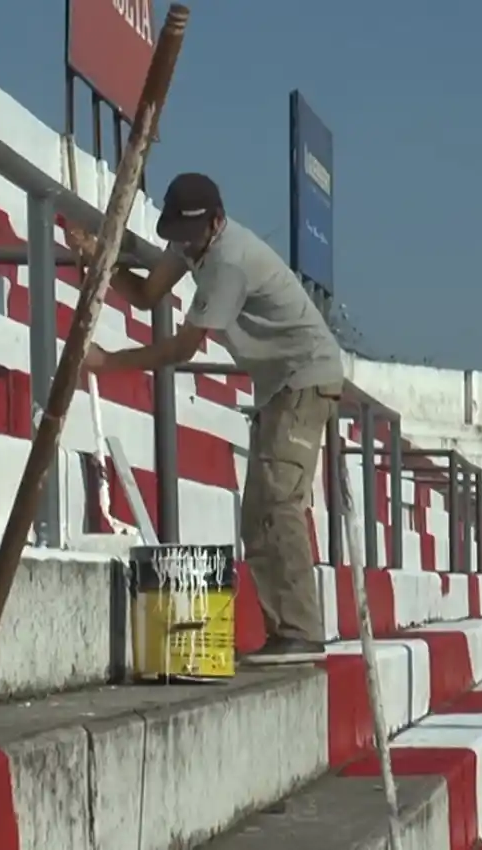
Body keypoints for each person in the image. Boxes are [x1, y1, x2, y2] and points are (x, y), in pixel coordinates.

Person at [65, 173, 344, 665]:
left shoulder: (228, 262)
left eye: (190, 235)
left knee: (277, 503)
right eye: (176, 235)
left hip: (304, 379)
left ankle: (301, 630)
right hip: (280, 383)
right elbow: (149, 294)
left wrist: (109, 363)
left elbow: (180, 347)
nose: (182, 244)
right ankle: (288, 631)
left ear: (215, 222)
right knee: (258, 512)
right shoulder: (191, 243)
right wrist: (98, 262)